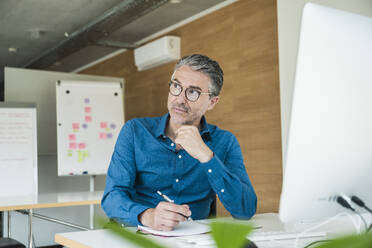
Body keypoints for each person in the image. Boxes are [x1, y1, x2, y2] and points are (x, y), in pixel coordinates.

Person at [102, 54, 257, 231]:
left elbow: (245, 210)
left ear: (212, 102)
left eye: (193, 92)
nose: (180, 99)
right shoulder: (135, 131)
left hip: (192, 240)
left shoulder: (225, 141)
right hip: (136, 235)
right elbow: (112, 197)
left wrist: (207, 157)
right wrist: (147, 216)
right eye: (176, 86)